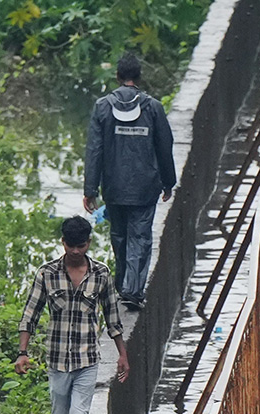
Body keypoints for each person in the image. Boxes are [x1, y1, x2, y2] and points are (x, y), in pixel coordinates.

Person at [16, 217, 130, 414]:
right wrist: (22, 352)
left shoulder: (101, 275)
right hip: (56, 360)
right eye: (71, 245)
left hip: (87, 359)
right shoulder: (47, 274)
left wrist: (122, 355)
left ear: (88, 243)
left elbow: (113, 319)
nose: (76, 251)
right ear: (63, 243)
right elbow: (31, 314)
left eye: (81, 245)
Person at [83, 52, 177, 309]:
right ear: (138, 77)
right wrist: (169, 182)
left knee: (120, 237)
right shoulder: (153, 108)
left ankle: (124, 285)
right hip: (145, 187)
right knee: (140, 237)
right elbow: (164, 146)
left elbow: (94, 150)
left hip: (114, 187)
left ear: (117, 76)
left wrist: (90, 189)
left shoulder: (103, 107)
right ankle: (132, 290)